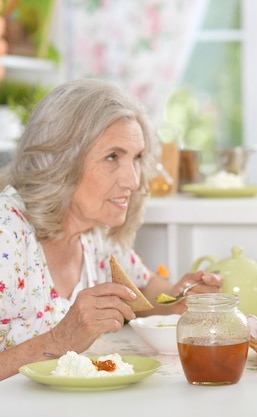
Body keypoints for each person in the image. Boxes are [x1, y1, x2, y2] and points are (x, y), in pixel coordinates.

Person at [0, 79, 223, 381]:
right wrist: (60, 340)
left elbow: (141, 290)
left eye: (136, 158)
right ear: (59, 160)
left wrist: (177, 299)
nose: (132, 180)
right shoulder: (7, 233)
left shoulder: (97, 230)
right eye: (112, 157)